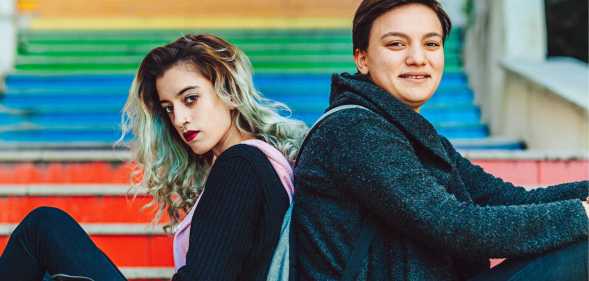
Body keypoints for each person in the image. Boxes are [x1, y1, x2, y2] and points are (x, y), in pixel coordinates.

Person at [291, 1, 589, 281]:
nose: (417, 58)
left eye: (431, 44)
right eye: (396, 44)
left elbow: (507, 198)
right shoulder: (353, 131)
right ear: (362, 58)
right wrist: (581, 214)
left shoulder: (407, 131)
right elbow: (452, 224)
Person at [0, 34, 307, 281]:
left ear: (227, 92)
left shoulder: (239, 166)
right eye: (169, 108)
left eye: (190, 99)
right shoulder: (267, 160)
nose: (180, 119)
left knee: (43, 229)